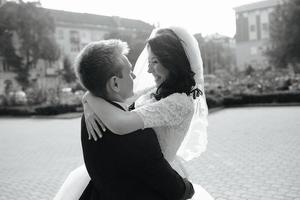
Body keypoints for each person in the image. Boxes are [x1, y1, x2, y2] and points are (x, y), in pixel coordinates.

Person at [54, 39, 195, 200]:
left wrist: (89, 96)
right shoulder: (139, 137)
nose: (135, 74)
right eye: (129, 71)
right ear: (115, 83)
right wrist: (189, 188)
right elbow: (173, 189)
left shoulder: (89, 118)